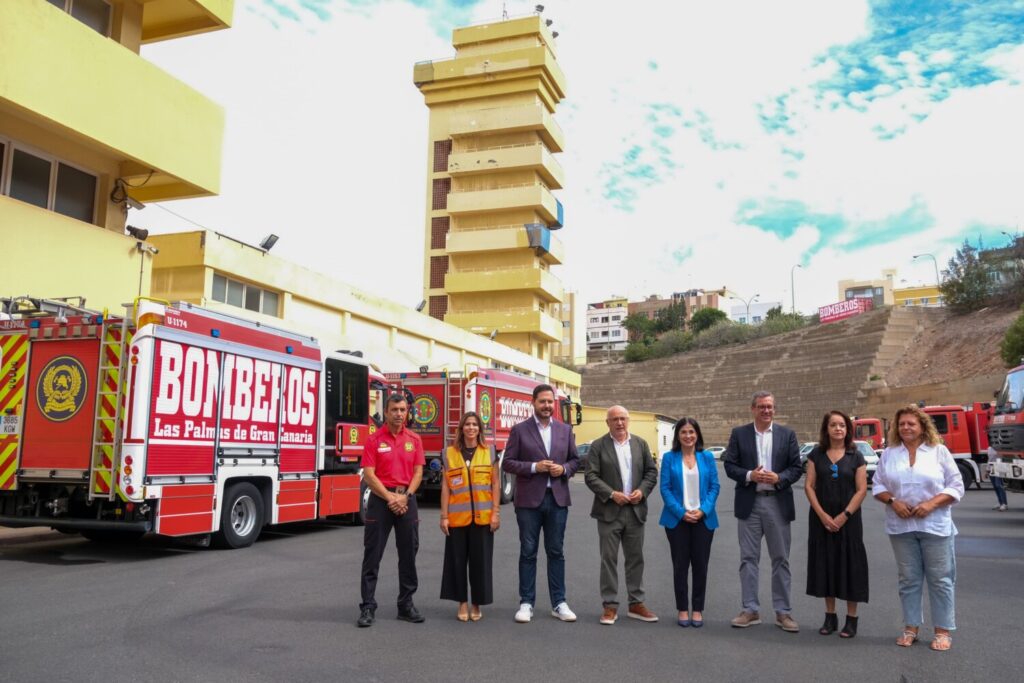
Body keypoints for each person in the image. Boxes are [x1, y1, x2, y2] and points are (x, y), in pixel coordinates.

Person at [873, 404, 964, 652]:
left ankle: (943, 631)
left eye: (911, 423)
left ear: (923, 426)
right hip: (901, 527)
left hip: (935, 525)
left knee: (941, 579)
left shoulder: (939, 451)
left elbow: (956, 486)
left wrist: (932, 504)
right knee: (909, 580)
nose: (905, 427)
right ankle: (911, 627)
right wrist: (893, 502)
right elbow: (877, 485)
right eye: (901, 424)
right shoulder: (890, 453)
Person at [723, 390, 803, 632]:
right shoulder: (740, 434)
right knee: (748, 559)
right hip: (751, 503)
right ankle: (750, 609)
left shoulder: (787, 435)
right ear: (753, 409)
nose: (766, 410)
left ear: (774, 409)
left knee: (781, 559)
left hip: (777, 502)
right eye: (761, 407)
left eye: (770, 407)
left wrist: (779, 477)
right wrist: (750, 475)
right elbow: (729, 465)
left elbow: (796, 467)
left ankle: (783, 612)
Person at [501, 384, 581, 623]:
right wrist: (535, 467)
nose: (547, 406)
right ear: (533, 402)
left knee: (556, 551)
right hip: (528, 502)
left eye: (550, 402)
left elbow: (575, 461)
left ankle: (559, 602)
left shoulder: (565, 430)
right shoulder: (519, 430)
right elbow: (508, 463)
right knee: (528, 552)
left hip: (557, 500)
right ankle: (526, 603)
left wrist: (564, 469)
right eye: (542, 401)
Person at [583, 405, 659, 625]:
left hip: (635, 512)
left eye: (623, 418)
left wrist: (642, 491)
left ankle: (636, 603)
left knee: (636, 559)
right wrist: (611, 494)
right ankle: (610, 606)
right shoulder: (598, 446)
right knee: (609, 560)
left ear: (628, 420)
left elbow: (651, 472)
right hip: (609, 512)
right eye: (614, 419)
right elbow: (590, 476)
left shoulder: (640, 444)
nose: (619, 423)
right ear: (607, 423)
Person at [357, 393, 426, 627]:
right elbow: (368, 474)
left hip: (407, 499)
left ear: (407, 412)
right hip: (380, 501)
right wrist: (390, 498)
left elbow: (418, 472)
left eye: (403, 409)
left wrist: (405, 497)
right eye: (394, 409)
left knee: (409, 554)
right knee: (372, 554)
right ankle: (367, 607)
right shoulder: (374, 440)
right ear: (385, 412)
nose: (399, 414)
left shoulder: (414, 439)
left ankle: (405, 605)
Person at [804, 410, 869, 638]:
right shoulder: (816, 455)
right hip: (821, 520)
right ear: (827, 429)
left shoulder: (855, 455)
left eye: (842, 425)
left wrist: (845, 515)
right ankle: (829, 616)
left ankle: (851, 619)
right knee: (826, 564)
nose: (838, 429)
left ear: (847, 429)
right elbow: (809, 486)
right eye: (833, 425)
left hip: (849, 521)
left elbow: (862, 489)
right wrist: (822, 515)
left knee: (850, 566)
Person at [659, 417, 720, 628]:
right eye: (683, 432)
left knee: (701, 566)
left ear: (697, 434)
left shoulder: (707, 457)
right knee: (680, 566)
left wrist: (703, 510)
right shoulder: (669, 458)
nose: (688, 436)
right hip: (677, 521)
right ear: (678, 436)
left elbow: (715, 487)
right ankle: (683, 608)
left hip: (704, 520)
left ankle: (698, 609)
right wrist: (681, 512)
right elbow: (665, 488)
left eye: (691, 432)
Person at [439, 412, 501, 621]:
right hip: (457, 519)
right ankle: (462, 603)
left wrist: (496, 513)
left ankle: (476, 604)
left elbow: (495, 484)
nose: (471, 428)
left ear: (479, 429)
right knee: (457, 563)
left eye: (475, 425)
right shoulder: (449, 453)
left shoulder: (490, 452)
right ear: (461, 429)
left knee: (480, 563)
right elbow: (446, 487)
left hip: (483, 519)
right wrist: (444, 516)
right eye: (467, 424)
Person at [988, 446, 1009, 511]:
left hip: (999, 467)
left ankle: (1004, 504)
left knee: (999, 485)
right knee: (995, 486)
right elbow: (989, 459)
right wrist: (987, 469)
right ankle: (1000, 503)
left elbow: (1003, 457)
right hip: (992, 467)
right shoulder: (989, 448)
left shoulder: (1000, 448)